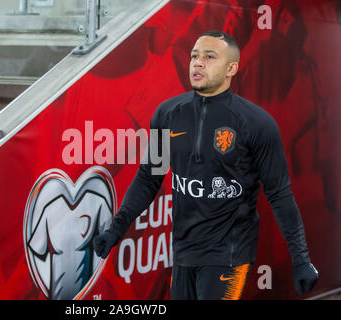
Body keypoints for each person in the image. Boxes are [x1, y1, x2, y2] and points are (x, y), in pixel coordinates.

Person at [93, 30, 319, 300]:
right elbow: (148, 178)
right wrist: (116, 229)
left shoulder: (257, 123)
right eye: (194, 56)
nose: (198, 63)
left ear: (231, 68)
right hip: (183, 252)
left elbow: (279, 195)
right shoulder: (167, 114)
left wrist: (301, 259)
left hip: (230, 255)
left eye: (209, 57)